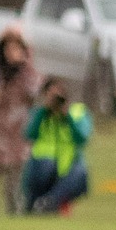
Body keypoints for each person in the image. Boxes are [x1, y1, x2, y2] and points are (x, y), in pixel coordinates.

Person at [22, 77, 91, 215]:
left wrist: (67, 116)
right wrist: (44, 111)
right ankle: (36, 202)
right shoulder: (38, 113)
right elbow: (30, 134)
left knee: (80, 173)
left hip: (68, 164)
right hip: (41, 166)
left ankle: (48, 202)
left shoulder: (76, 112)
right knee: (47, 165)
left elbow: (81, 139)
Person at [0, 27, 40, 215]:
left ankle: (16, 215)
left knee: (14, 183)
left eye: (16, 48)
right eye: (8, 48)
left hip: (17, 132)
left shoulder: (27, 74)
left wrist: (25, 64)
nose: (12, 53)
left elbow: (36, 93)